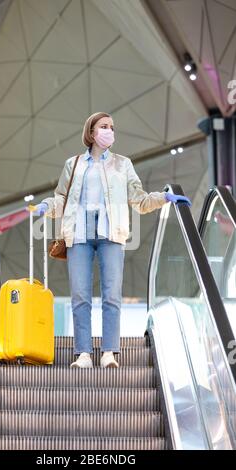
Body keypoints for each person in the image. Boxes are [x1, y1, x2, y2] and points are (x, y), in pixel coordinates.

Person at [35, 112, 191, 368]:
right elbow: (62, 198)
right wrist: (47, 205)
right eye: (104, 127)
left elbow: (138, 200)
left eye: (112, 127)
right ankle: (83, 353)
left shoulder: (123, 164)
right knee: (80, 295)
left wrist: (164, 198)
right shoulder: (73, 164)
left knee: (111, 295)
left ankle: (109, 352)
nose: (110, 131)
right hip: (79, 234)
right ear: (92, 132)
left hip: (112, 233)